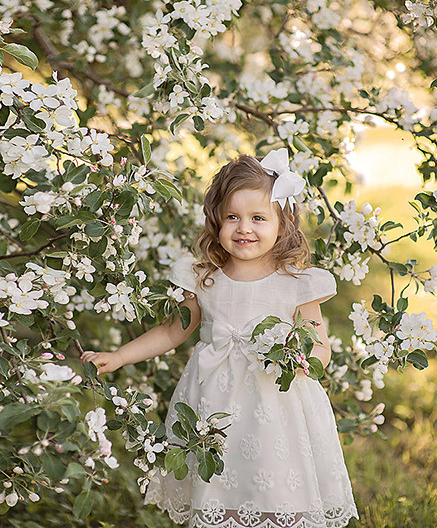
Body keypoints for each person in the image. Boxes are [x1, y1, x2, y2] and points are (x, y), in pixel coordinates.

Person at [81, 150, 359, 528]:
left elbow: (319, 344)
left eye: (258, 218)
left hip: (276, 405)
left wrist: (306, 363)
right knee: (219, 485)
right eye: (233, 217)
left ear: (284, 223)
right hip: (213, 403)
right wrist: (119, 356)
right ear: (216, 220)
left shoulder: (296, 283)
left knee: (274, 481)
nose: (244, 228)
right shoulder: (205, 277)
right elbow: (171, 330)